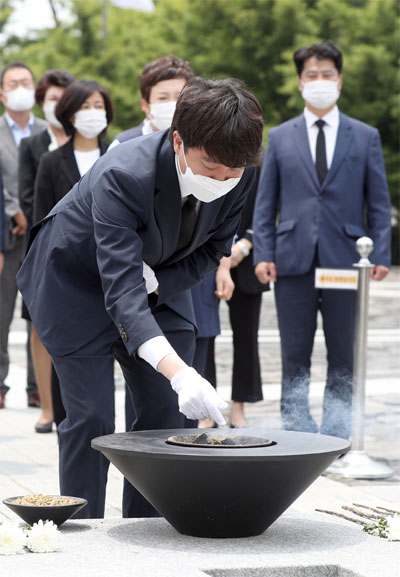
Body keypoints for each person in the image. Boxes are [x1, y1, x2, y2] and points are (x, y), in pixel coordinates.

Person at [17, 77, 264, 519]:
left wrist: (157, 283)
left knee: (168, 414)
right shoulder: (124, 172)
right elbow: (122, 293)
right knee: (92, 417)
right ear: (177, 140)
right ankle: (84, 529)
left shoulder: (238, 172)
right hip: (74, 284)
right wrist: (182, 372)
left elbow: (211, 251)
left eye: (233, 172)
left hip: (157, 280)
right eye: (210, 168)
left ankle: (148, 529)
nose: (222, 180)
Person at [253, 41, 392, 439]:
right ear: (300, 83)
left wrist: (380, 252)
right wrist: (263, 251)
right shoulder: (279, 137)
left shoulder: (364, 136)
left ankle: (338, 429)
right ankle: (296, 429)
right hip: (291, 258)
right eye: (311, 75)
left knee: (343, 353)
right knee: (294, 352)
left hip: (346, 261)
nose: (319, 81)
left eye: (326, 75)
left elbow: (378, 203)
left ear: (340, 81)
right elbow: (266, 203)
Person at [109, 55, 195, 430]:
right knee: (140, 403)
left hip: (175, 288)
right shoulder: (123, 146)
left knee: (171, 409)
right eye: (164, 96)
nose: (173, 104)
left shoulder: (203, 148)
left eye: (182, 95)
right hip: (124, 282)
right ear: (145, 102)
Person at [18, 68, 75, 433]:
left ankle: (70, 403)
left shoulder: (91, 141)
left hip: (82, 249)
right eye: (50, 98)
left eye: (63, 97)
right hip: (41, 243)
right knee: (39, 329)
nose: (56, 104)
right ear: (42, 102)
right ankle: (46, 406)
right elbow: (27, 195)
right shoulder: (33, 144)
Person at [193, 170, 268, 429]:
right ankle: (206, 406)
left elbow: (268, 210)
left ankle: (239, 404)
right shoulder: (211, 159)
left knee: (247, 337)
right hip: (207, 258)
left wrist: (245, 245)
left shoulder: (261, 165)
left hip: (247, 260)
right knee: (203, 334)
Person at [0, 61, 46, 410]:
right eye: (13, 83)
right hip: (6, 235)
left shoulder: (47, 131)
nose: (20, 88)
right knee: (1, 312)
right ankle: (1, 383)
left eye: (25, 82)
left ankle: (37, 386)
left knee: (39, 312)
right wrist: (14, 210)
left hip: (40, 234)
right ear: (2, 93)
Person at [110, 54, 195, 148]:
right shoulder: (123, 145)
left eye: (179, 97)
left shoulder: (200, 143)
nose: (173, 104)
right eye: (163, 98)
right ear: (145, 105)